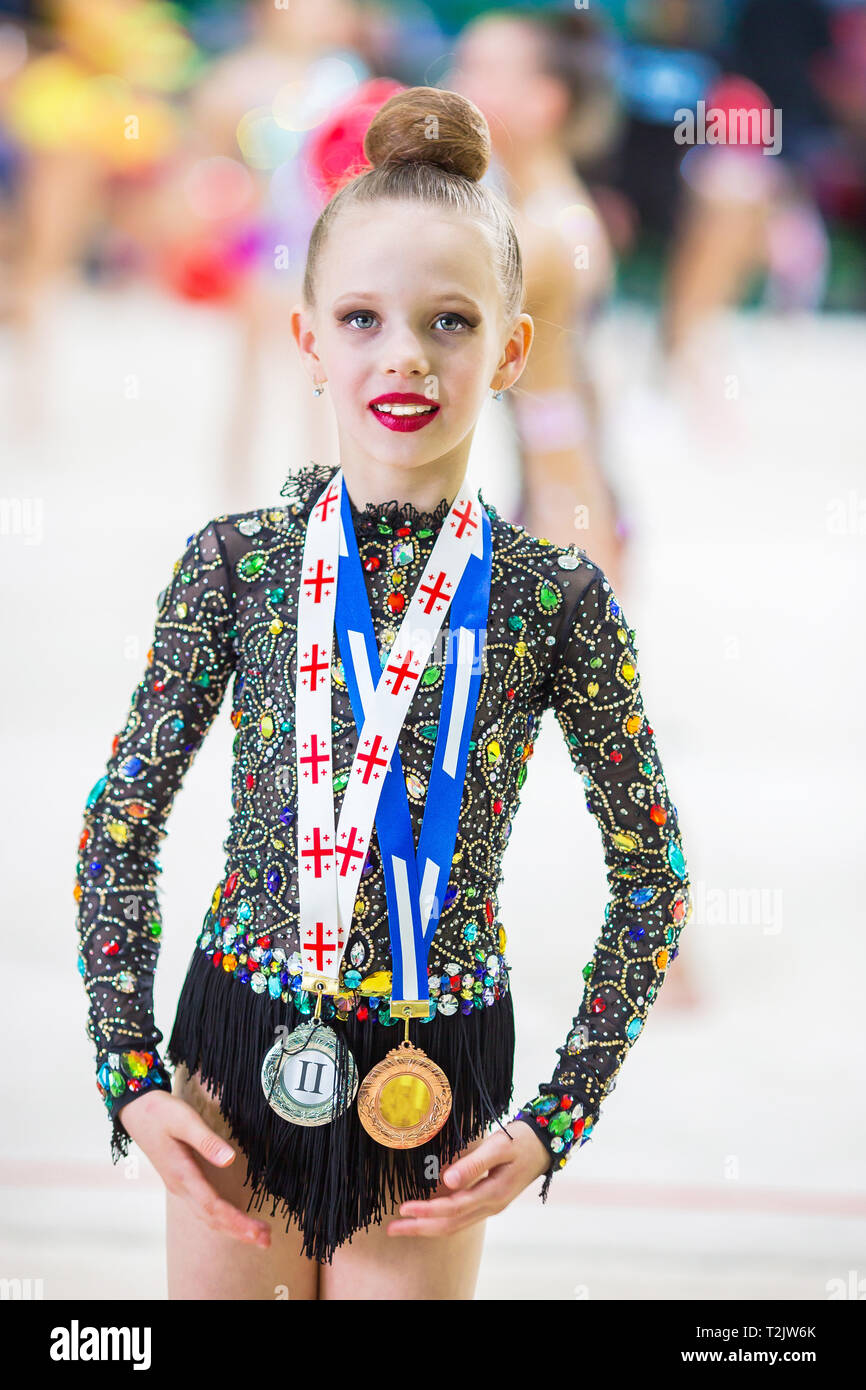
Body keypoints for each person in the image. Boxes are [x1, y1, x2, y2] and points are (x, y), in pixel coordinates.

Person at [74, 85, 692, 1300]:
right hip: (233, 1051)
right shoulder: (237, 563)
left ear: (509, 348)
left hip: (437, 1073)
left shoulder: (547, 598)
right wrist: (132, 1078)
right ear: (307, 340)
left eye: (449, 321)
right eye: (361, 317)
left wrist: (556, 1117)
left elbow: (653, 877)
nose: (404, 353)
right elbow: (119, 824)